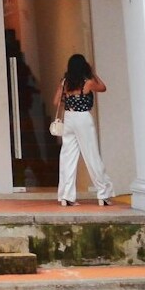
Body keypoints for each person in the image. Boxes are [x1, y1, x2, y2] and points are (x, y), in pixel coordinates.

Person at [53, 53, 114, 207]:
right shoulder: (88, 83)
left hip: (69, 118)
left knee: (67, 156)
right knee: (91, 154)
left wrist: (67, 97)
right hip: (83, 118)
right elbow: (103, 88)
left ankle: (66, 196)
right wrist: (93, 72)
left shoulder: (65, 82)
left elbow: (56, 101)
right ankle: (103, 194)